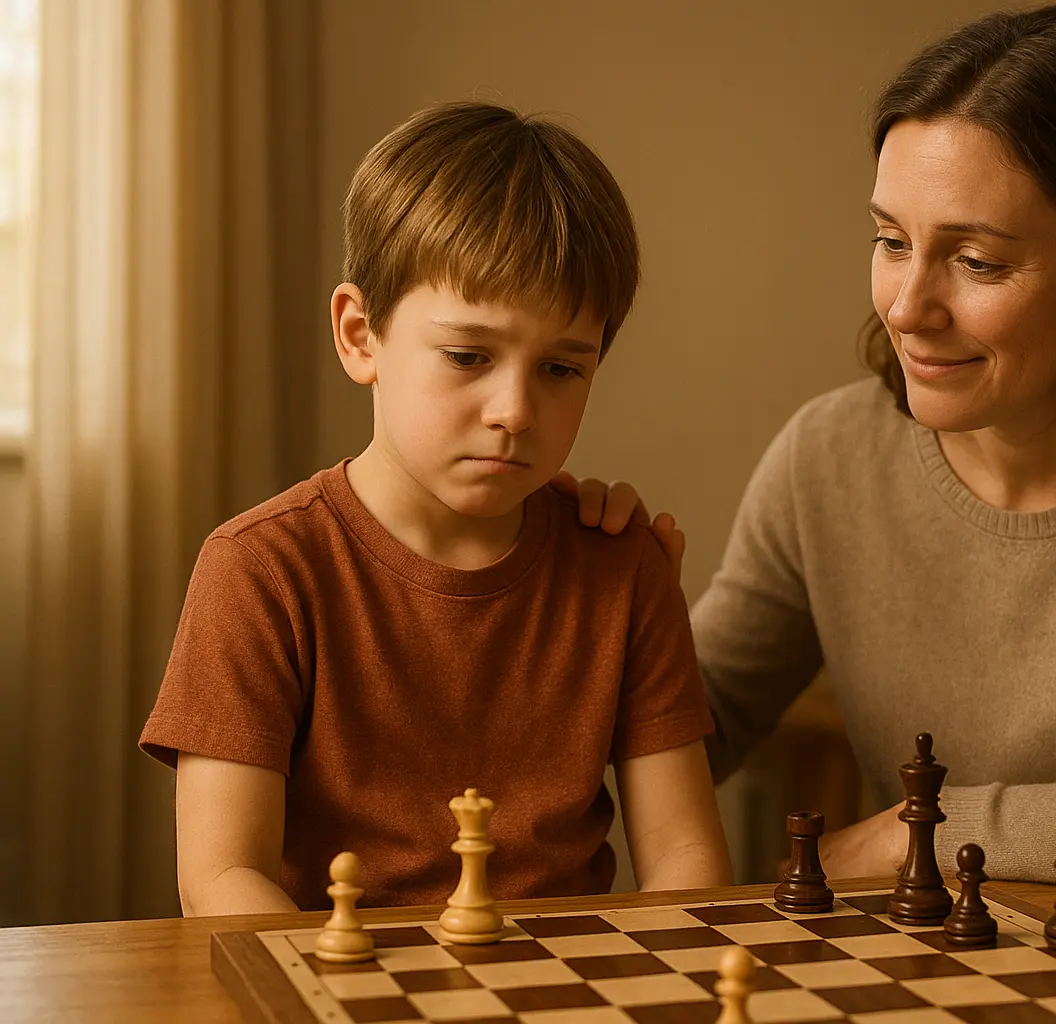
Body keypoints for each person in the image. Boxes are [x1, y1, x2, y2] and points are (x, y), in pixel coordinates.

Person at [560, 5, 1056, 899]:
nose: (909, 305)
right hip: (970, 968)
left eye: (979, 262)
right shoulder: (827, 458)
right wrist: (548, 580)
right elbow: (685, 724)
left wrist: (914, 834)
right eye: (891, 242)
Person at [139, 102, 732, 915]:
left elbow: (688, 857)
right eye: (468, 356)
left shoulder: (624, 565)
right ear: (359, 335)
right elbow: (220, 879)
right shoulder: (261, 568)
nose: (515, 410)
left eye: (562, 369)